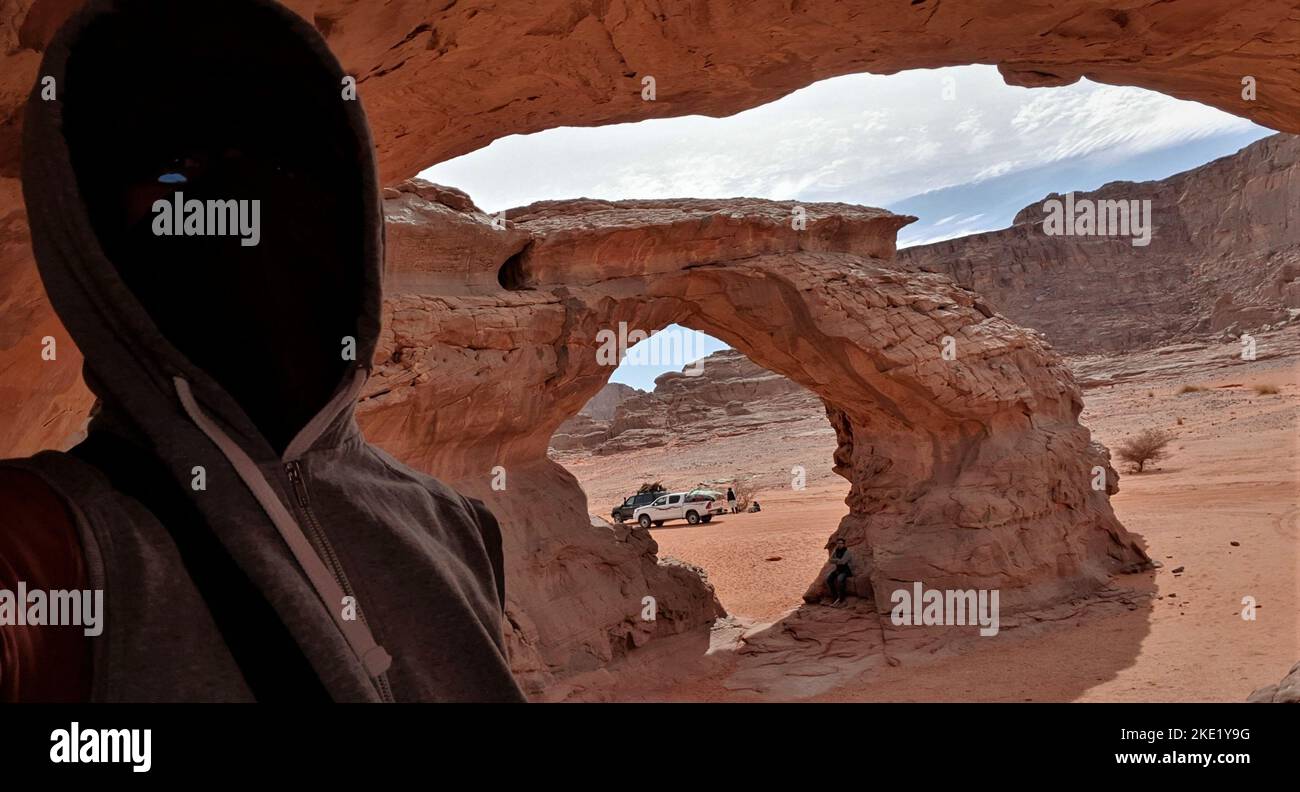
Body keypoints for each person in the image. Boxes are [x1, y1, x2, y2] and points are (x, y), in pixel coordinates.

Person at [0, 0, 525, 703]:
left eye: (284, 162)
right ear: (87, 224)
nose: (240, 201)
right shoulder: (41, 548)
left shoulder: (455, 526)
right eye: (180, 161)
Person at [826, 539, 854, 606]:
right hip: (838, 570)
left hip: (846, 570)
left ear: (844, 544)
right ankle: (835, 597)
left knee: (840, 579)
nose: (839, 544)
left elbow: (843, 562)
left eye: (841, 543)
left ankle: (841, 598)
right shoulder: (836, 551)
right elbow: (830, 560)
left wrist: (835, 560)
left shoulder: (847, 552)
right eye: (838, 543)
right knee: (829, 579)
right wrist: (838, 560)